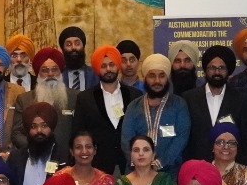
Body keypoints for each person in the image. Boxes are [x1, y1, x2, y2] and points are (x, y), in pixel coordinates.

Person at [72, 44, 136, 175]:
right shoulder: (85, 98)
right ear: (97, 69)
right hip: (98, 166)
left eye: (111, 64)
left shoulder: (135, 95)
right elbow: (78, 132)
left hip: (130, 164)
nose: (108, 69)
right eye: (103, 66)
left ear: (117, 65)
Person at [120, 53, 190, 173]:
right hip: (137, 173)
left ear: (167, 78)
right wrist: (141, 165)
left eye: (162, 76)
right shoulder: (134, 106)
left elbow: (181, 138)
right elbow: (126, 140)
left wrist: (159, 163)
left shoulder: (179, 105)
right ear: (145, 77)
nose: (157, 81)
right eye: (152, 76)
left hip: (169, 174)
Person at [182, 44, 247, 163]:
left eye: (221, 68)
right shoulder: (189, 98)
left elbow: (246, 136)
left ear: (228, 71)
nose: (217, 72)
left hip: (230, 166)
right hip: (198, 167)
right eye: (212, 68)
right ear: (205, 70)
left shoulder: (241, 100)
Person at [12, 48, 73, 155]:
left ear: (60, 72)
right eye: (44, 70)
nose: (50, 74)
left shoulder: (76, 97)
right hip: (34, 156)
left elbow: (83, 131)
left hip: (68, 158)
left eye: (55, 69)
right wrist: (36, 145)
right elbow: (17, 133)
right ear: (38, 73)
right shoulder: (24, 99)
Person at [8, 102, 65, 185]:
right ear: (28, 130)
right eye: (33, 126)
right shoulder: (16, 158)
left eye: (44, 126)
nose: (39, 131)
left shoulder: (64, 157)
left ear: (52, 128)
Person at [58, 25, 97, 93]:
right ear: (63, 49)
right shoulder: (58, 76)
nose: (73, 47)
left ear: (83, 47)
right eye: (68, 44)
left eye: (77, 43)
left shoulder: (95, 74)